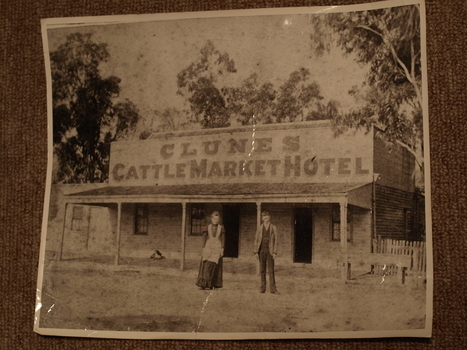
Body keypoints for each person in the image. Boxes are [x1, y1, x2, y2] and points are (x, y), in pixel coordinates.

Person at [196, 211, 225, 290]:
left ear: (219, 220)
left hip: (217, 247)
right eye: (214, 219)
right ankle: (203, 284)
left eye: (217, 219)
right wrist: (203, 247)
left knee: (214, 265)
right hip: (208, 246)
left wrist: (222, 248)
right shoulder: (207, 227)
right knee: (206, 264)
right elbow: (204, 237)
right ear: (211, 219)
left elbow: (223, 238)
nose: (215, 220)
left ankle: (212, 284)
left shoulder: (221, 227)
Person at [254, 211, 279, 294]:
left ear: (269, 218)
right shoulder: (259, 228)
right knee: (262, 270)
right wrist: (255, 252)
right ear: (262, 219)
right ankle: (262, 288)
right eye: (264, 218)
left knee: (271, 270)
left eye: (267, 218)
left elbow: (276, 241)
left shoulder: (273, 228)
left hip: (270, 251)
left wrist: (275, 252)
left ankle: (273, 289)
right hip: (261, 251)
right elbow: (256, 240)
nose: (266, 219)